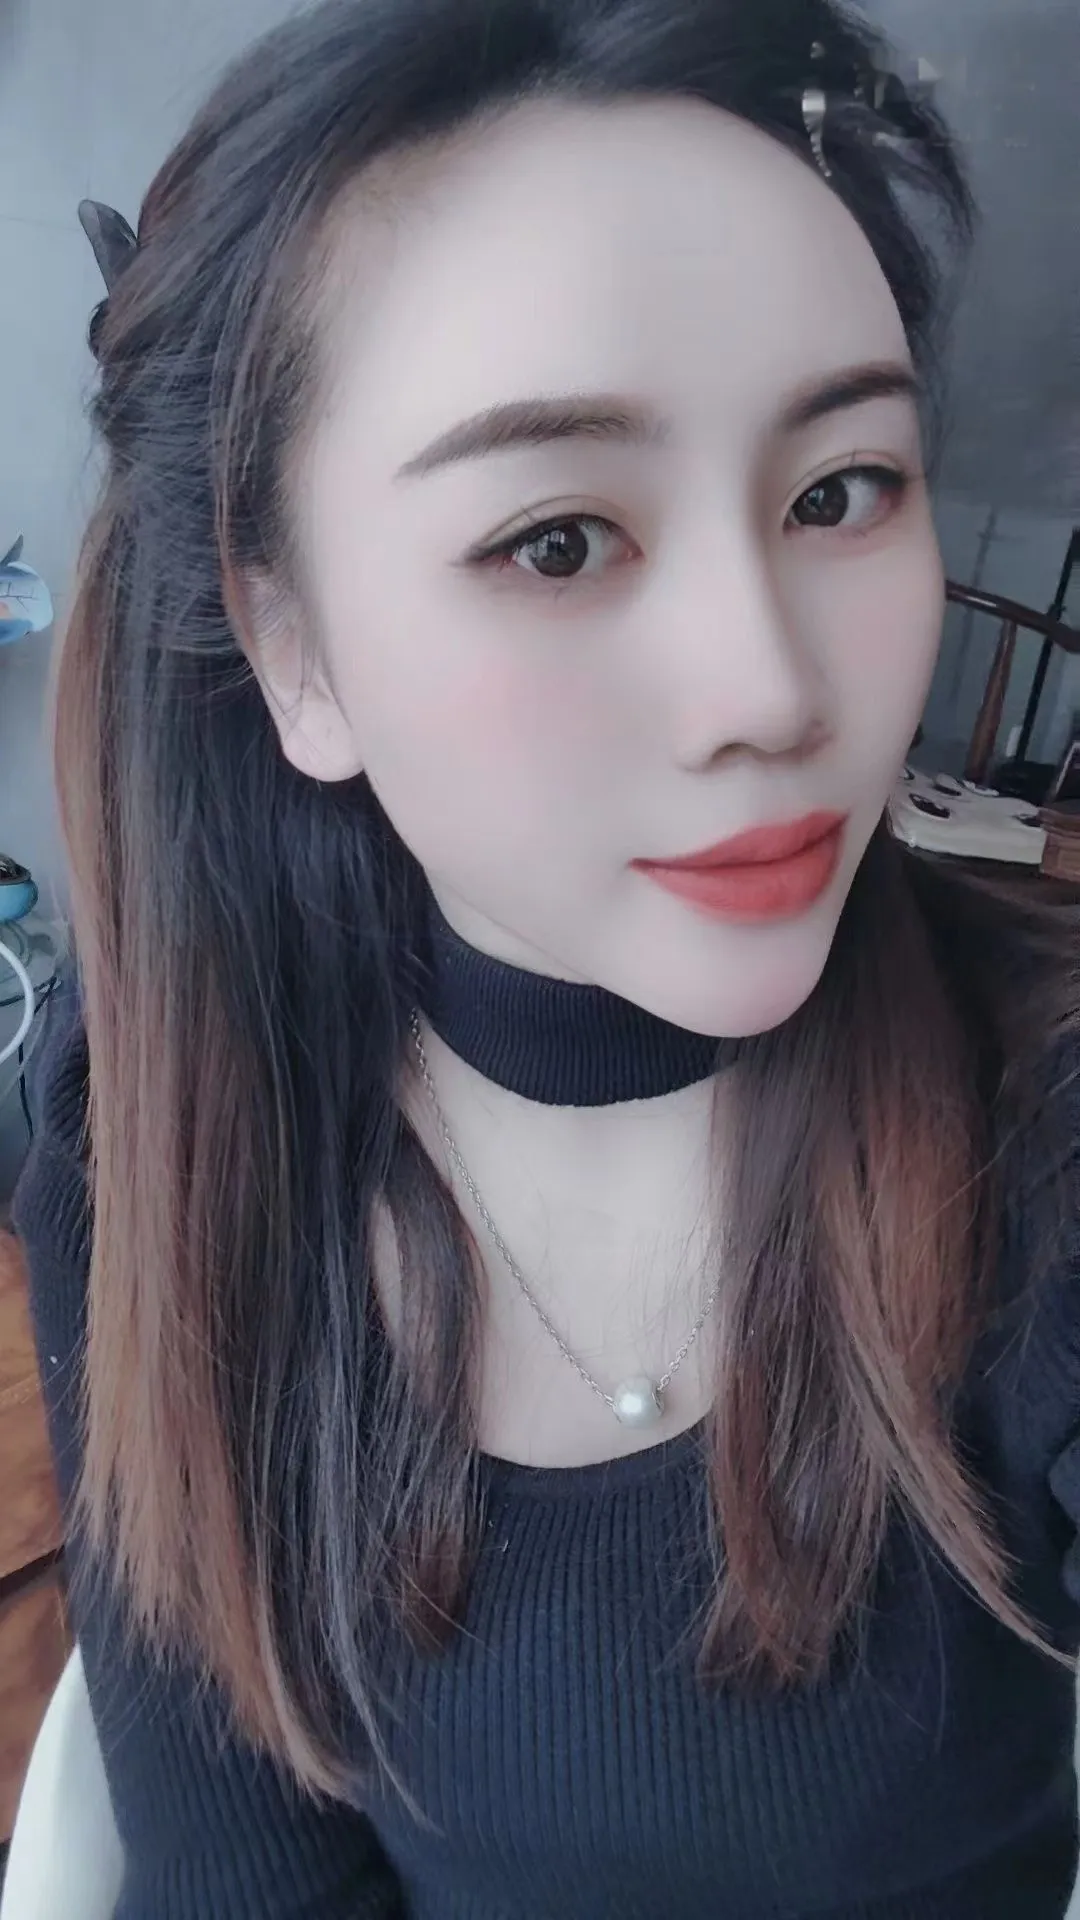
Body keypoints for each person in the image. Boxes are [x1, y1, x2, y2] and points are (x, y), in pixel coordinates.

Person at [13, 0, 1080, 1913]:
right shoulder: (152, 1126)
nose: (775, 691)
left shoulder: (1045, 1128)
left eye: (839, 491)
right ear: (293, 649)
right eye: (561, 540)